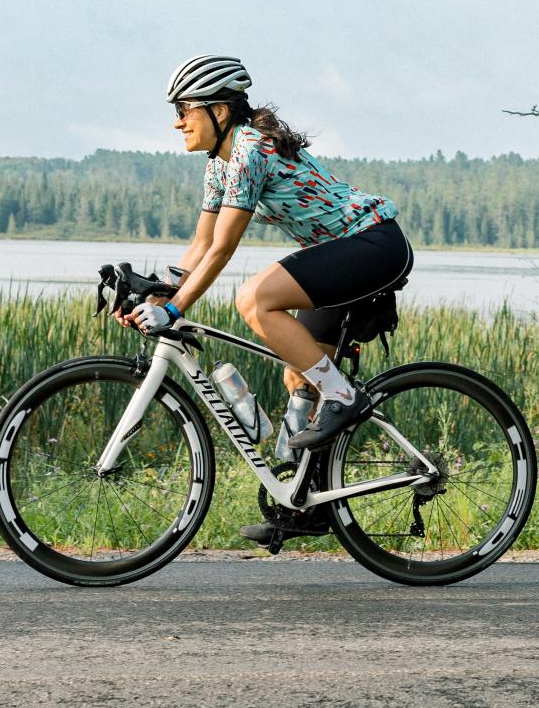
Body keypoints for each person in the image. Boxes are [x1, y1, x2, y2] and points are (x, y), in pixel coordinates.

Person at [123, 55, 413, 544]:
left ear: (219, 111)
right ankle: (309, 504)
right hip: (340, 252)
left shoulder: (251, 148)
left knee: (255, 299)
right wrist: (157, 291)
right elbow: (199, 246)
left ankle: (343, 396)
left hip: (374, 244)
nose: (177, 122)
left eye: (184, 110)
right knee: (300, 372)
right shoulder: (221, 162)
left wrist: (174, 311)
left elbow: (223, 248)